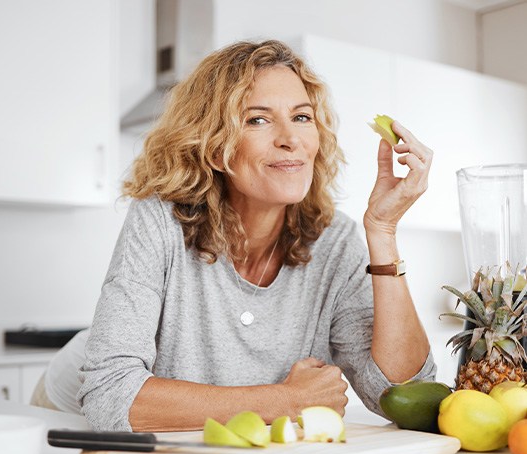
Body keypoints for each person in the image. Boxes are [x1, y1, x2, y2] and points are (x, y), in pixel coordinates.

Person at [77, 39, 435, 432]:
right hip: (65, 410)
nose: (290, 138)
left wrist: (382, 233)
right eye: (258, 120)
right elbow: (108, 395)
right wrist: (286, 400)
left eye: (301, 117)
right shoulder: (159, 220)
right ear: (215, 148)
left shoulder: (335, 242)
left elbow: (408, 397)